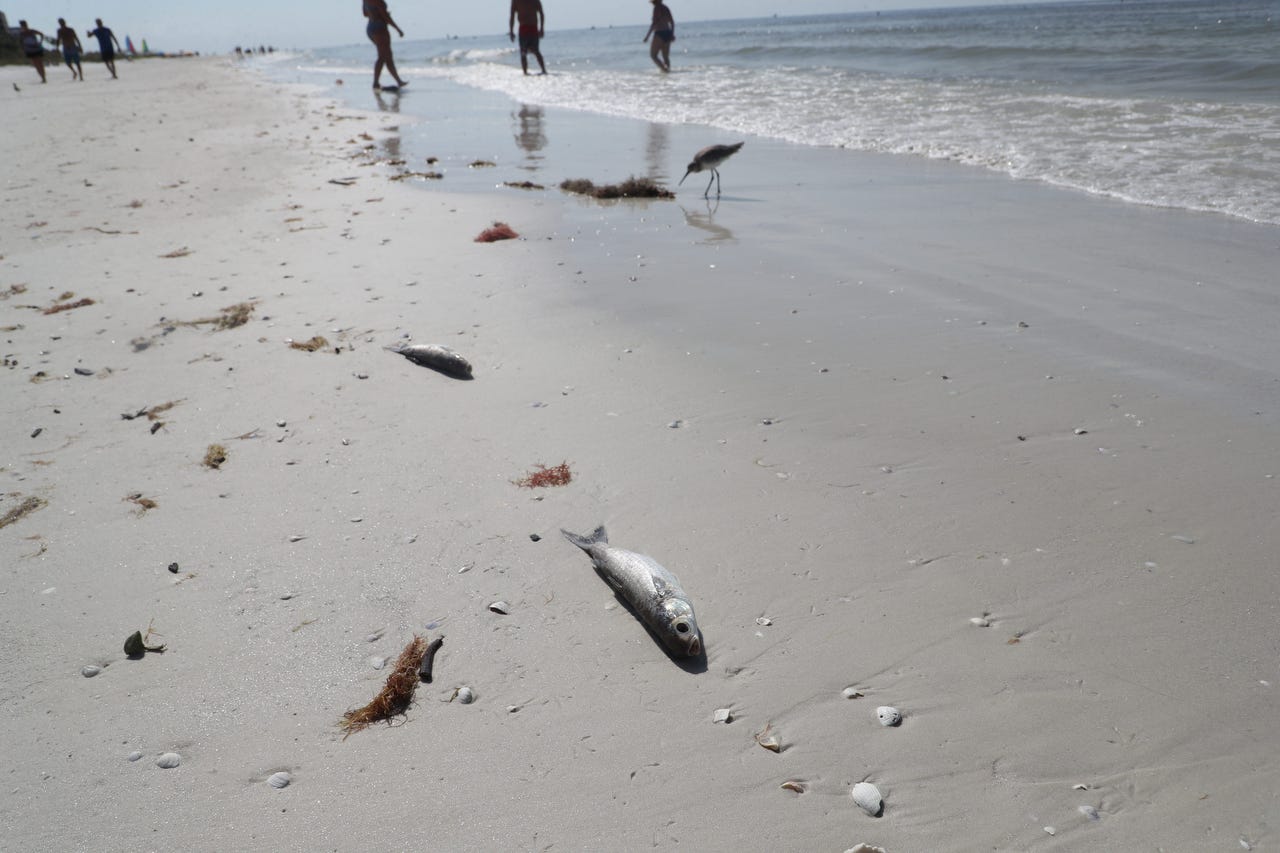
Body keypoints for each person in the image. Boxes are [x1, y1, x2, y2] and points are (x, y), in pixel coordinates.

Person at [362, 0, 406, 90]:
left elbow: (365, 14)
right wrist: (397, 29)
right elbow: (385, 17)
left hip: (371, 27)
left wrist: (375, 13)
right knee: (383, 56)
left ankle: (398, 81)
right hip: (379, 28)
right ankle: (376, 82)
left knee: (386, 56)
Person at [508, 0, 546, 76]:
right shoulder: (515, 1)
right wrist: (511, 31)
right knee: (523, 53)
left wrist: (541, 28)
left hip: (533, 28)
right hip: (523, 28)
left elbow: (541, 13)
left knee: (536, 51)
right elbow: (512, 16)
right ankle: (525, 73)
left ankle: (544, 71)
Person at [644, 0, 675, 72]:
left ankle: (664, 70)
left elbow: (654, 23)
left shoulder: (656, 8)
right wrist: (672, 34)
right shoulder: (666, 8)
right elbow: (672, 22)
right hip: (668, 32)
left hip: (659, 33)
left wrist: (647, 36)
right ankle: (668, 74)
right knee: (665, 57)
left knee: (653, 55)